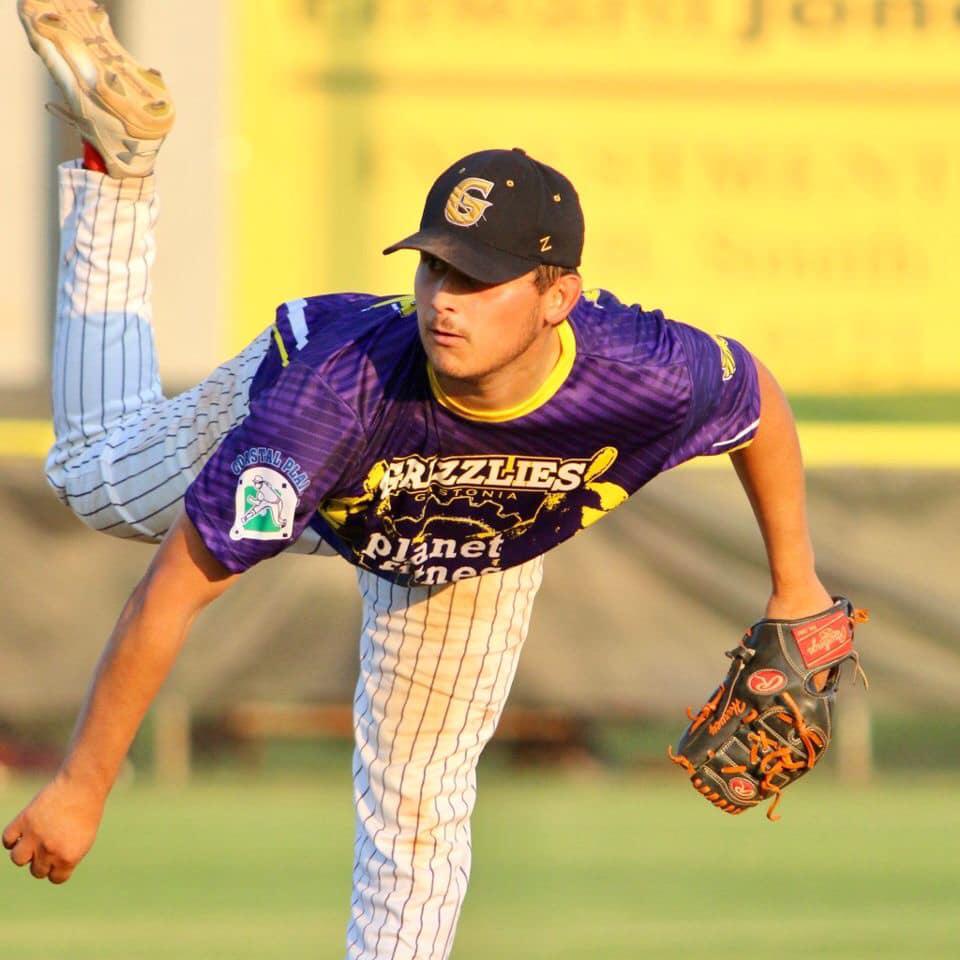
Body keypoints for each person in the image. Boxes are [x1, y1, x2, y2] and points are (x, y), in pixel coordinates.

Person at [6, 3, 837, 958]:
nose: (445, 300)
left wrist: (797, 583)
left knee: (419, 803)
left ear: (558, 296)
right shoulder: (334, 394)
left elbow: (754, 400)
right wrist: (83, 782)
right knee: (88, 479)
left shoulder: (639, 371)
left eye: (478, 280)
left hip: (471, 546)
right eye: (436, 267)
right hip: (318, 455)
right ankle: (119, 169)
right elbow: (175, 592)